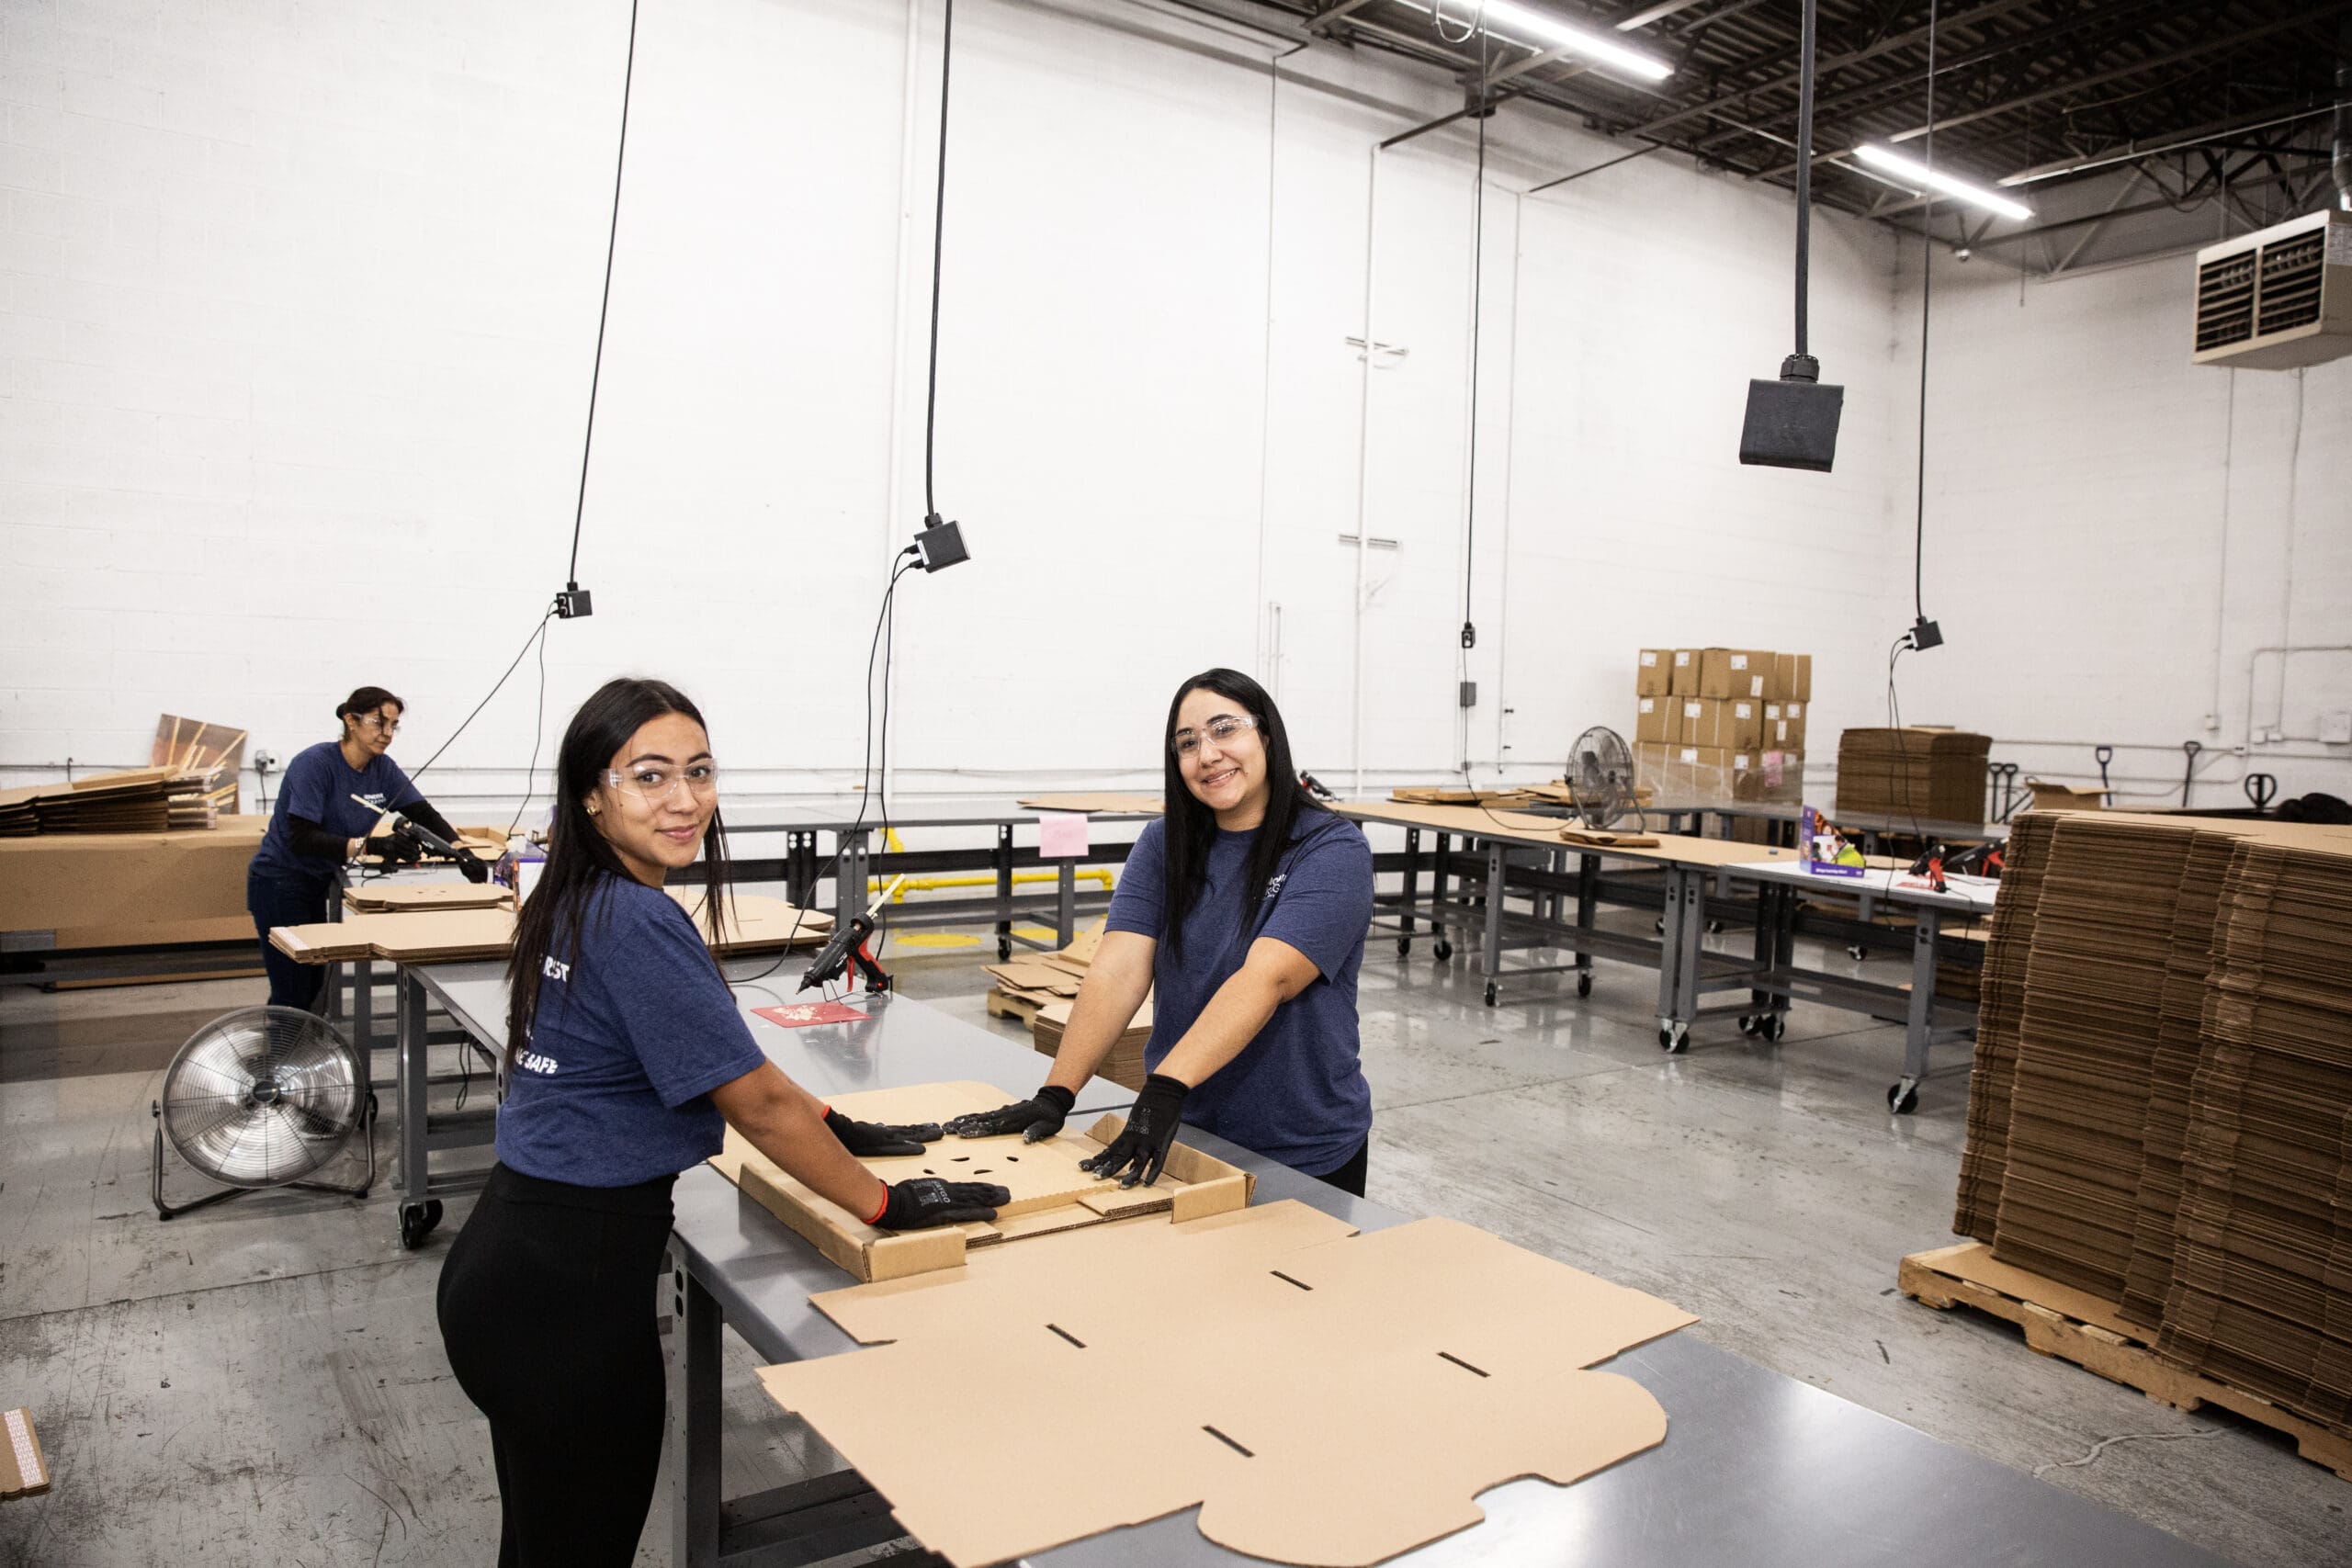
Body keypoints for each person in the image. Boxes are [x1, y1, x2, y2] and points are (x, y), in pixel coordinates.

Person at [435, 676, 1004, 1568]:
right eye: (649, 776)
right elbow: (756, 1107)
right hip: (569, 1298)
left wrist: (833, 1119)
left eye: (698, 771)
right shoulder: (637, 920)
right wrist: (884, 1204)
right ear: (592, 794)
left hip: (513, 1265)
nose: (684, 799)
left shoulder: (575, 895)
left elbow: (726, 1067)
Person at [946, 668, 1376, 1196]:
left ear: (1266, 735)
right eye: (1187, 743)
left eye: (1225, 729)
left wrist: (1165, 1087)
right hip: (1186, 1134)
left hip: (1302, 1147)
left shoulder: (1331, 850)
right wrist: (1057, 1093)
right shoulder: (1163, 844)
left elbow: (1268, 978)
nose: (1207, 754)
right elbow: (1118, 972)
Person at [244, 685, 479, 1011]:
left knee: (313, 981)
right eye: (378, 723)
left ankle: (302, 1040)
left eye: (393, 726)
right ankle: (280, 1044)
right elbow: (302, 837)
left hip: (316, 882)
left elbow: (422, 812)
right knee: (293, 986)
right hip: (279, 882)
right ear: (351, 721)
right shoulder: (314, 764)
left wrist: (461, 850)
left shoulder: (382, 768)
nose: (387, 734)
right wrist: (372, 845)